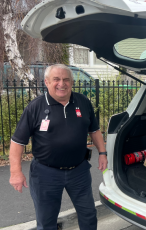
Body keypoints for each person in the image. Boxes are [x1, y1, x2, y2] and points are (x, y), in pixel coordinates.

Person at [9, 64, 107, 230]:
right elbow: (18, 142)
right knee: (47, 221)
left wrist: (103, 153)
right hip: (45, 174)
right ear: (47, 82)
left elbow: (95, 130)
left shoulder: (83, 102)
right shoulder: (36, 107)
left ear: (71, 82)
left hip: (79, 172)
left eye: (66, 79)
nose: (62, 83)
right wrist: (15, 172)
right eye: (56, 79)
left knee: (88, 214)